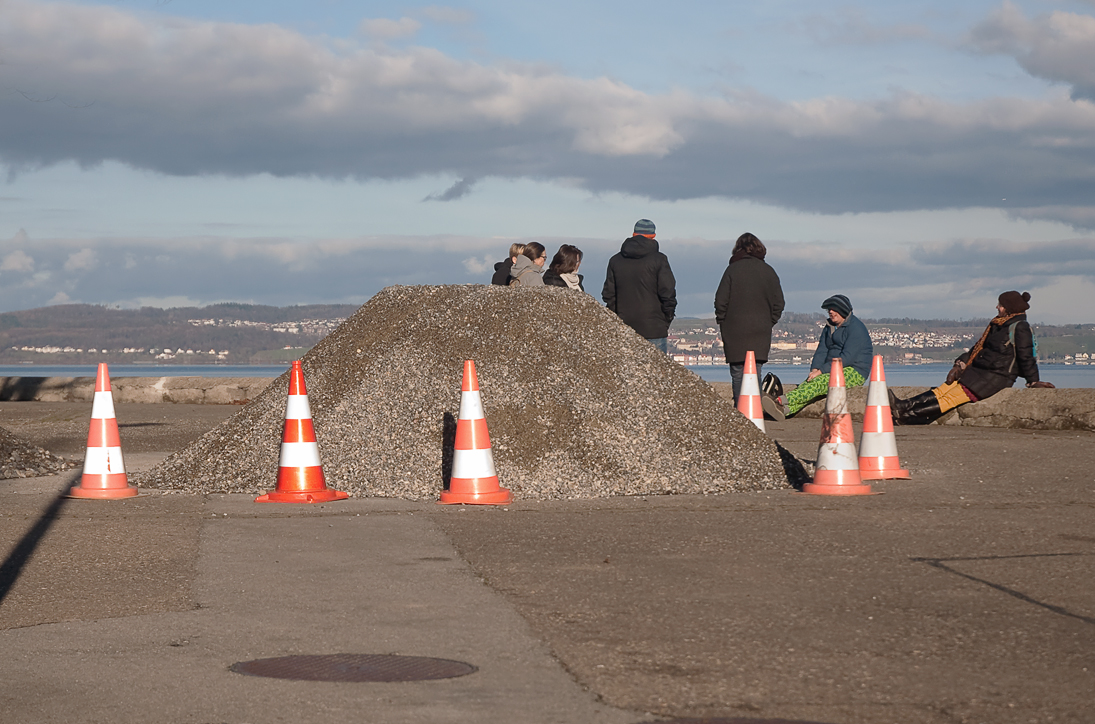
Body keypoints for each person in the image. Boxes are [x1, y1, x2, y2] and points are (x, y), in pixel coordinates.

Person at [889, 291, 1054, 425]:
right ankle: (903, 406)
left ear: (1008, 308)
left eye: (1001, 305)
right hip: (978, 371)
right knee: (943, 390)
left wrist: (1033, 381)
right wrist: (960, 364)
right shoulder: (997, 325)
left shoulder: (1020, 327)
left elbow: (1026, 356)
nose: (997, 307)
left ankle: (905, 417)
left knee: (950, 399)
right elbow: (978, 347)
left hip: (997, 377)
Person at [770, 294, 872, 419]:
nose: (830, 312)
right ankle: (786, 410)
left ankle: (780, 401)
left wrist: (822, 371)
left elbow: (847, 358)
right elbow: (822, 350)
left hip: (854, 370)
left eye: (834, 309)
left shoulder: (856, 329)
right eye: (829, 309)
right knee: (809, 384)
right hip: (831, 368)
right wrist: (815, 368)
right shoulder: (829, 327)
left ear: (843, 310)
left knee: (819, 383)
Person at [714, 232, 785, 403]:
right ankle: (754, 411)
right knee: (755, 370)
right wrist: (768, 322)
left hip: (734, 330)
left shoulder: (732, 270)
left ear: (738, 249)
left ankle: (741, 413)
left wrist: (723, 322)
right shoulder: (769, 271)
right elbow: (779, 303)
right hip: (760, 331)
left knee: (738, 373)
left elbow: (720, 301)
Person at [602, 219, 677, 352]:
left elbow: (609, 295)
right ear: (653, 236)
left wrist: (618, 319)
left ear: (633, 234)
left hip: (624, 327)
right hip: (654, 327)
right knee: (656, 371)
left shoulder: (615, 260)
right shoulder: (659, 260)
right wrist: (666, 318)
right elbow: (668, 293)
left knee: (626, 371)